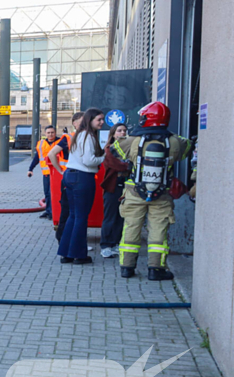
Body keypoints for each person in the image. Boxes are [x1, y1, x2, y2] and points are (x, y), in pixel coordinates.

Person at [111, 102, 193, 280]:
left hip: (133, 192)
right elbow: (189, 147)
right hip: (162, 194)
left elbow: (113, 150)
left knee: (131, 227)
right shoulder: (175, 142)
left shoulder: (131, 141)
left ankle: (127, 267)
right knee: (158, 230)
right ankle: (156, 269)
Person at [57, 109, 106, 264]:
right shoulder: (89, 136)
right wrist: (105, 156)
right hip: (82, 177)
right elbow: (89, 161)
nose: (102, 122)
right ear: (90, 119)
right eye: (99, 119)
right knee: (81, 217)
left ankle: (67, 253)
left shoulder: (79, 134)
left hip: (70, 176)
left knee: (73, 215)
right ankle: (79, 255)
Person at [49, 112, 84, 241]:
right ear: (74, 123)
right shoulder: (69, 138)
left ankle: (69, 239)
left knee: (72, 212)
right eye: (81, 121)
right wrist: (60, 171)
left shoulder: (85, 137)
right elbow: (52, 154)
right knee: (69, 211)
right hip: (71, 179)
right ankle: (64, 239)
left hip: (73, 178)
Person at [99, 123, 129, 258]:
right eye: (119, 131)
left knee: (121, 217)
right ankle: (105, 245)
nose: (122, 133)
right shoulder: (109, 149)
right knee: (110, 216)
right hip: (113, 186)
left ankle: (115, 243)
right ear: (113, 134)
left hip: (127, 186)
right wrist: (128, 165)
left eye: (124, 130)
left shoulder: (129, 148)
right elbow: (116, 165)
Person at [27, 125, 59, 219]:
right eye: (48, 133)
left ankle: (55, 212)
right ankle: (49, 211)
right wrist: (30, 169)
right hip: (46, 174)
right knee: (48, 194)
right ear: (45, 133)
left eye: (52, 132)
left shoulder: (60, 142)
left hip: (57, 173)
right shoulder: (41, 144)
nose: (50, 134)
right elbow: (37, 157)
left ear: (55, 133)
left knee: (55, 194)